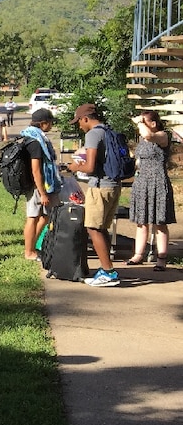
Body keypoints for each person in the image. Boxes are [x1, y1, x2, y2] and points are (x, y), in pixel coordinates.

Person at [66, 103, 121, 287]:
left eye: (79, 122)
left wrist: (74, 167)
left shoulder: (92, 134)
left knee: (93, 228)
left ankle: (108, 272)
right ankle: (107, 269)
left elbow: (89, 167)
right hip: (113, 184)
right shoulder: (108, 130)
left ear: (86, 119)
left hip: (99, 187)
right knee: (102, 228)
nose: (79, 126)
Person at [127, 110, 176, 270]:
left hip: (158, 181)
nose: (140, 124)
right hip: (142, 182)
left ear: (153, 123)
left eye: (144, 121)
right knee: (142, 222)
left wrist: (140, 121)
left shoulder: (162, 135)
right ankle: (138, 254)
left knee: (159, 222)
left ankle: (161, 257)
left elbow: (149, 136)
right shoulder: (142, 137)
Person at [21, 109, 62, 260]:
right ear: (43, 123)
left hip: (41, 185)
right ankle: (29, 251)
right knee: (32, 217)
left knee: (45, 215)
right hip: (36, 185)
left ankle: (31, 247)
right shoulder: (35, 142)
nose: (51, 126)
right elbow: (36, 170)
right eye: (50, 123)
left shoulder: (30, 136)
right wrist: (43, 192)